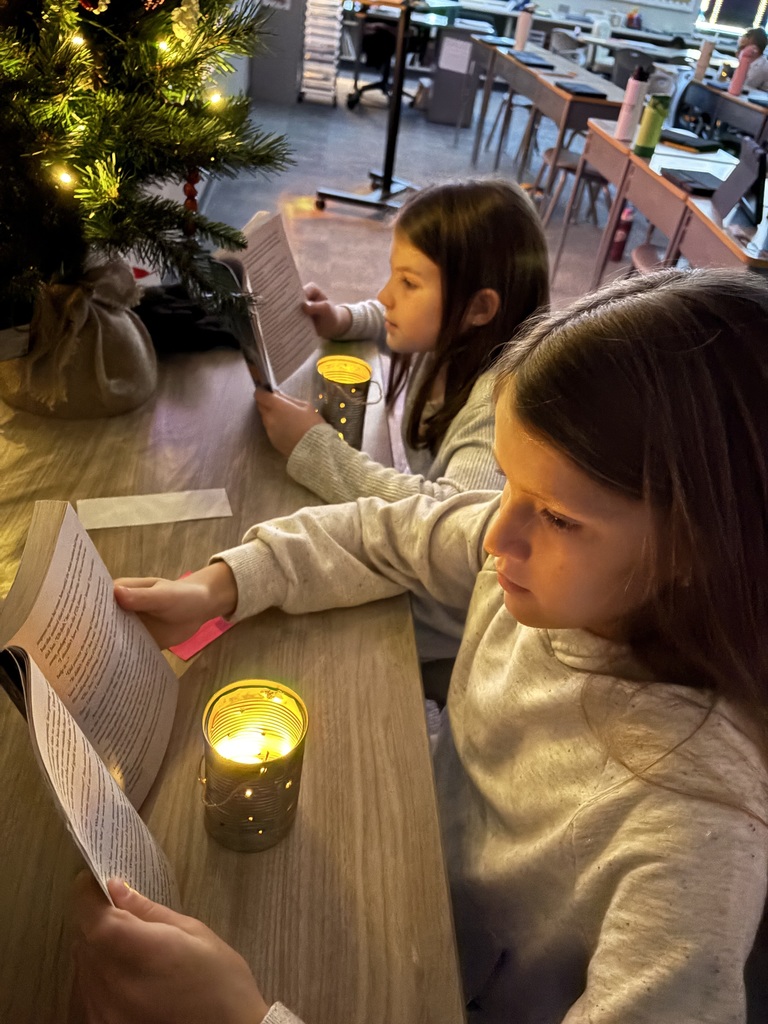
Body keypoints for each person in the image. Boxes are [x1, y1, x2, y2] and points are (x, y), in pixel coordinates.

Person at [73, 268, 768, 1024]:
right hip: (410, 878)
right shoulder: (540, 566)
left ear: (698, 546)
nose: (497, 536)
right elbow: (390, 532)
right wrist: (222, 585)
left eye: (559, 518)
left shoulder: (696, 833)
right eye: (509, 484)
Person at [256, 179, 549, 672]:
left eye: (408, 283)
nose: (385, 295)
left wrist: (313, 446)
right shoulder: (457, 336)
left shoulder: (498, 408)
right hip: (417, 578)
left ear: (479, 308)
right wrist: (341, 318)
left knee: (292, 647)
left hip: (444, 619)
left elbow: (444, 521)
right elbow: (389, 316)